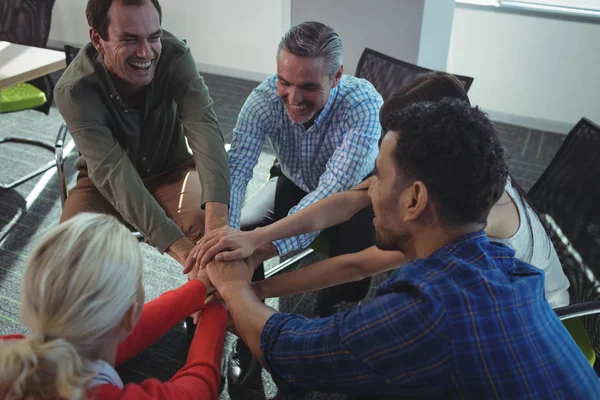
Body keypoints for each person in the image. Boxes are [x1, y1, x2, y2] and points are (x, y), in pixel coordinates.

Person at [202, 99, 600, 398]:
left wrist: (233, 289)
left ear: (414, 200)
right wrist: (256, 254)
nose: (370, 187)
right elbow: (352, 251)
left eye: (379, 175)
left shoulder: (426, 311)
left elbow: (286, 350)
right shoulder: (505, 265)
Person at [191, 72, 570, 309]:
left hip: (532, 309)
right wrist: (257, 236)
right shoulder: (453, 167)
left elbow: (356, 265)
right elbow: (343, 202)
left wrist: (255, 291)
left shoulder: (463, 212)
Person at [197, 21, 383, 384]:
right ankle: (252, 329)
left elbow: (332, 194)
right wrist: (222, 242)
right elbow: (236, 170)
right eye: (285, 81)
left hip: (353, 199)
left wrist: (256, 250)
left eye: (309, 86)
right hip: (292, 182)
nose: (293, 99)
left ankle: (332, 307)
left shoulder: (363, 104)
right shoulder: (264, 99)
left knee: (350, 276)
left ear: (337, 76)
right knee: (242, 229)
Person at [54, 0, 230, 267]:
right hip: (102, 185)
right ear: (98, 39)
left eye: (154, 37)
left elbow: (204, 128)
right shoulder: (75, 90)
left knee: (212, 239)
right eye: (129, 39)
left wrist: (217, 222)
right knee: (69, 255)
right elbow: (113, 173)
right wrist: (180, 249)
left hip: (171, 171)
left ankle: (218, 307)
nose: (146, 52)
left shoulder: (175, 55)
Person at [0, 213, 229, 399]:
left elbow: (106, 335)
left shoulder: (9, 351)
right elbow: (198, 388)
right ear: (130, 314)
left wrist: (199, 289)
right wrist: (220, 300)